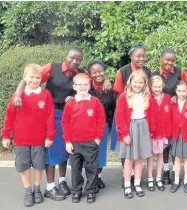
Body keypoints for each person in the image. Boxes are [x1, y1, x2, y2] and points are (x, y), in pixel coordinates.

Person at [13, 48, 84, 200]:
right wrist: (18, 94)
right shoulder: (53, 68)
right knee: (51, 150)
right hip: (52, 114)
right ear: (66, 56)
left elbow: (88, 84)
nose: (74, 61)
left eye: (78, 59)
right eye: (72, 58)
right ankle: (49, 187)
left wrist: (104, 81)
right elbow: (30, 78)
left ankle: (62, 181)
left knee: (67, 149)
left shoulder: (80, 73)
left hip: (70, 115)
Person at [1, 64, 55, 207]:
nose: (35, 80)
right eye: (31, 77)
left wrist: (50, 136)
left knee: (38, 165)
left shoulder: (45, 95)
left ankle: (37, 189)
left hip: (39, 139)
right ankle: (28, 190)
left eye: (38, 78)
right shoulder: (17, 96)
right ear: (24, 77)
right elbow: (9, 116)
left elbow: (50, 117)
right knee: (24, 166)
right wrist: (6, 135)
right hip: (21, 140)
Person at [111, 45, 152, 187]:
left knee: (139, 153)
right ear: (131, 57)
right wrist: (122, 123)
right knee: (126, 152)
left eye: (143, 56)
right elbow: (117, 94)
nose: (141, 58)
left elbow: (150, 95)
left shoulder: (148, 72)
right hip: (126, 117)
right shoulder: (122, 71)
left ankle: (137, 179)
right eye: (138, 56)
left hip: (141, 119)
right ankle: (127, 177)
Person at [62, 73, 106, 204]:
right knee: (76, 169)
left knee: (91, 168)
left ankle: (91, 190)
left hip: (90, 142)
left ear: (90, 86)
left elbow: (101, 121)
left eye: (85, 84)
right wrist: (68, 141)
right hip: (75, 143)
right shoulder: (70, 103)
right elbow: (65, 123)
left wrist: (97, 139)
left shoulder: (95, 102)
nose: (82, 87)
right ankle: (76, 191)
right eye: (79, 85)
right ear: (74, 86)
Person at [115, 71, 155, 199]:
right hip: (130, 127)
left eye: (141, 82)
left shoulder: (147, 96)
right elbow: (119, 116)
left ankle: (137, 183)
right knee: (129, 159)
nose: (138, 84)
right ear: (130, 82)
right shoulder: (124, 96)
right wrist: (125, 134)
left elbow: (152, 115)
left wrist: (151, 130)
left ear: (144, 84)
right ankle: (127, 184)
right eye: (135, 82)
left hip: (143, 127)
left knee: (139, 158)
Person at [158, 48, 187, 185]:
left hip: (176, 111)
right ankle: (166, 170)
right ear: (161, 59)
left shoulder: (180, 72)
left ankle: (175, 172)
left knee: (176, 142)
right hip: (162, 113)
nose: (170, 63)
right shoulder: (155, 74)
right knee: (165, 144)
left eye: (172, 60)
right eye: (167, 60)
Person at [86, 61, 116, 189]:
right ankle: (90, 178)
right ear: (89, 74)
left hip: (104, 126)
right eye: (94, 72)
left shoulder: (110, 87)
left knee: (101, 152)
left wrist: (108, 80)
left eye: (100, 71)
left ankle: (98, 177)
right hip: (88, 127)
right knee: (90, 153)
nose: (98, 74)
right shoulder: (86, 87)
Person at [147, 75, 171, 192]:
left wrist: (168, 131)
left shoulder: (167, 98)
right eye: (155, 86)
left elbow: (170, 116)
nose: (157, 89)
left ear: (162, 87)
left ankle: (159, 178)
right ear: (151, 87)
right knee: (151, 156)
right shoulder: (148, 97)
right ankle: (150, 178)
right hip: (151, 133)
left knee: (161, 155)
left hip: (163, 133)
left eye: (159, 86)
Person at [170, 81, 187, 194]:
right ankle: (176, 180)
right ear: (176, 92)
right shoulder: (173, 102)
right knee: (177, 158)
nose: (181, 93)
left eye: (184, 91)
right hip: (176, 134)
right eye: (179, 91)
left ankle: (186, 181)